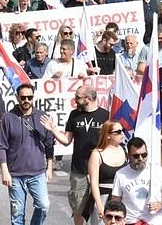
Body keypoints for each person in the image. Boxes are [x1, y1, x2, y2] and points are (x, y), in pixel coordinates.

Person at [41, 86, 110, 224]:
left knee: (101, 210)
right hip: (79, 171)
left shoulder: (106, 116)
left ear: (89, 99)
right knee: (79, 209)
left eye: (78, 97)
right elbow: (67, 140)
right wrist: (53, 129)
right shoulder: (74, 115)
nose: (75, 100)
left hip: (101, 170)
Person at [0, 83, 54, 225]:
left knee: (44, 205)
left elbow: (49, 143)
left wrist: (50, 167)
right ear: (17, 98)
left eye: (29, 97)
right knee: (17, 214)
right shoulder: (8, 118)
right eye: (23, 97)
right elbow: (1, 145)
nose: (26, 100)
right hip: (15, 174)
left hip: (37, 173)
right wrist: (4, 171)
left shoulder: (42, 117)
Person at [110, 137, 162, 225]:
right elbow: (115, 203)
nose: (140, 158)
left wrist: (161, 204)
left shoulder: (157, 171)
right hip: (130, 222)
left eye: (144, 155)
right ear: (128, 156)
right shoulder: (120, 174)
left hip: (154, 221)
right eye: (136, 156)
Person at [87, 121, 127, 220]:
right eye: (117, 132)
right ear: (108, 135)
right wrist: (99, 204)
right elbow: (94, 183)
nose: (122, 134)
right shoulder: (97, 154)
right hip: (103, 197)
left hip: (122, 198)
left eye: (123, 130)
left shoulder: (124, 150)